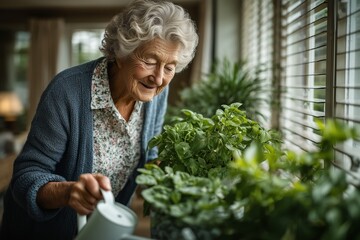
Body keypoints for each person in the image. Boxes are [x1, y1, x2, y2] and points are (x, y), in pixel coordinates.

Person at [0, 0, 198, 239]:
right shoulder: (67, 91)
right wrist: (68, 192)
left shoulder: (156, 95)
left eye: (170, 67)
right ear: (121, 53)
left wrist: (166, 175)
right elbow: (26, 176)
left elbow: (148, 157)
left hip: (103, 231)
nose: (158, 78)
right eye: (150, 61)